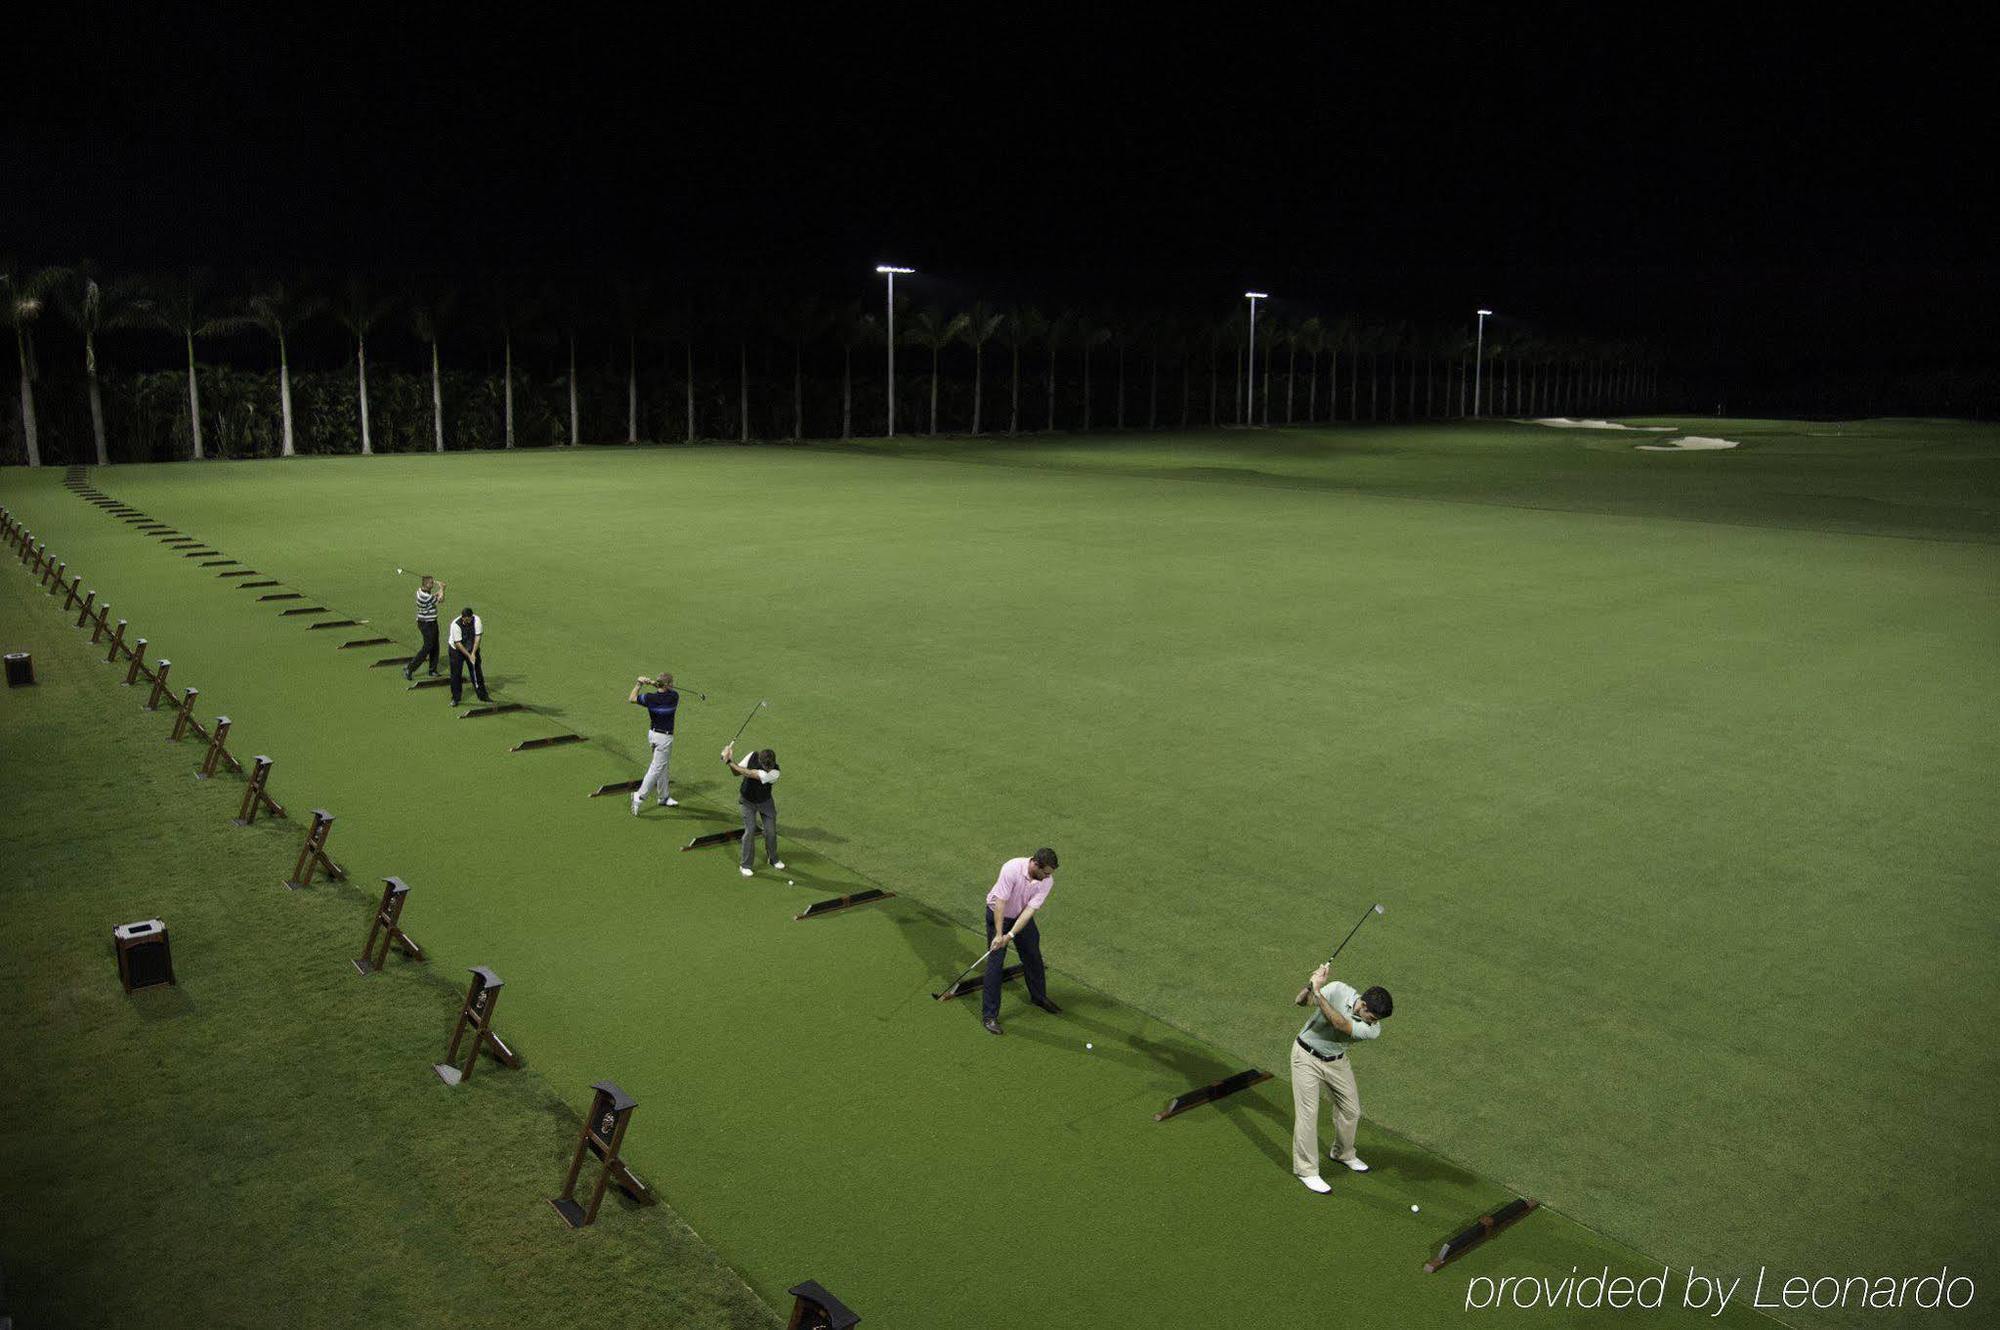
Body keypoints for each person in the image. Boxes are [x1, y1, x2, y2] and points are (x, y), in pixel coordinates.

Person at [1290, 969, 1394, 1193]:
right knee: (1308, 1114)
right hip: (1306, 1057)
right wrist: (1311, 986)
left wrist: (1318, 992)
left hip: (1337, 1062)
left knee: (1351, 1111)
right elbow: (1301, 1002)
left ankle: (1342, 1153)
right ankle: (1306, 1171)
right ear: (1363, 1005)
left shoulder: (1372, 1030)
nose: (1374, 1023)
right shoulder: (1337, 989)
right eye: (1373, 1017)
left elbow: (1340, 1025)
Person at [980, 848, 1061, 1035]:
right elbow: (1000, 903)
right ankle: (989, 1016)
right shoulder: (1012, 868)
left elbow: (1029, 911)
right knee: (995, 963)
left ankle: (1039, 997)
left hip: (1020, 917)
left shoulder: (1046, 881)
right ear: (1035, 864)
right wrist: (1000, 935)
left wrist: (1011, 935)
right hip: (998, 915)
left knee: (1033, 955)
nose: (1048, 876)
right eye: (1046, 872)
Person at [721, 741, 782, 876]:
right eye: (766, 766)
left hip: (765, 802)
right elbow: (736, 773)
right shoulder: (751, 756)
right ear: (760, 760)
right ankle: (745, 865)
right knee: (750, 830)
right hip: (747, 801)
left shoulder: (775, 772)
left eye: (770, 766)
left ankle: (773, 858)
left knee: (771, 831)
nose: (768, 768)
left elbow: (748, 773)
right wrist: (730, 760)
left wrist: (729, 761)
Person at [627, 673, 680, 813]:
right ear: (668, 684)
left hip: (653, 734)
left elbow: (631, 698)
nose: (673, 685)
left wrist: (640, 684)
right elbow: (666, 689)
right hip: (664, 738)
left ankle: (663, 797)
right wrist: (652, 683)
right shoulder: (674, 697)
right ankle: (639, 796)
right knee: (657, 768)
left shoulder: (650, 698)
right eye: (671, 683)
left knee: (663, 766)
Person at [403, 574, 445, 680]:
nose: (433, 583)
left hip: (431, 621)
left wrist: (439, 591)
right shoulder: (425, 596)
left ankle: (432, 670)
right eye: (431, 582)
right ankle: (410, 668)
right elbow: (440, 600)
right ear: (426, 584)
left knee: (435, 645)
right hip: (426, 623)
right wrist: (442, 588)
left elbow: (433, 598)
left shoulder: (421, 591)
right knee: (428, 647)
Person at [447, 607, 489, 705]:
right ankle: (455, 698)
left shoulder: (477, 621)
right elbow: (458, 643)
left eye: (469, 620)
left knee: (477, 671)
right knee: (456, 674)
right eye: (466, 620)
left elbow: (478, 637)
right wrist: (469, 656)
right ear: (463, 618)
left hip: (471, 647)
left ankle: (483, 696)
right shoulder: (455, 625)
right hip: (456, 650)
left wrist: (473, 653)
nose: (468, 622)